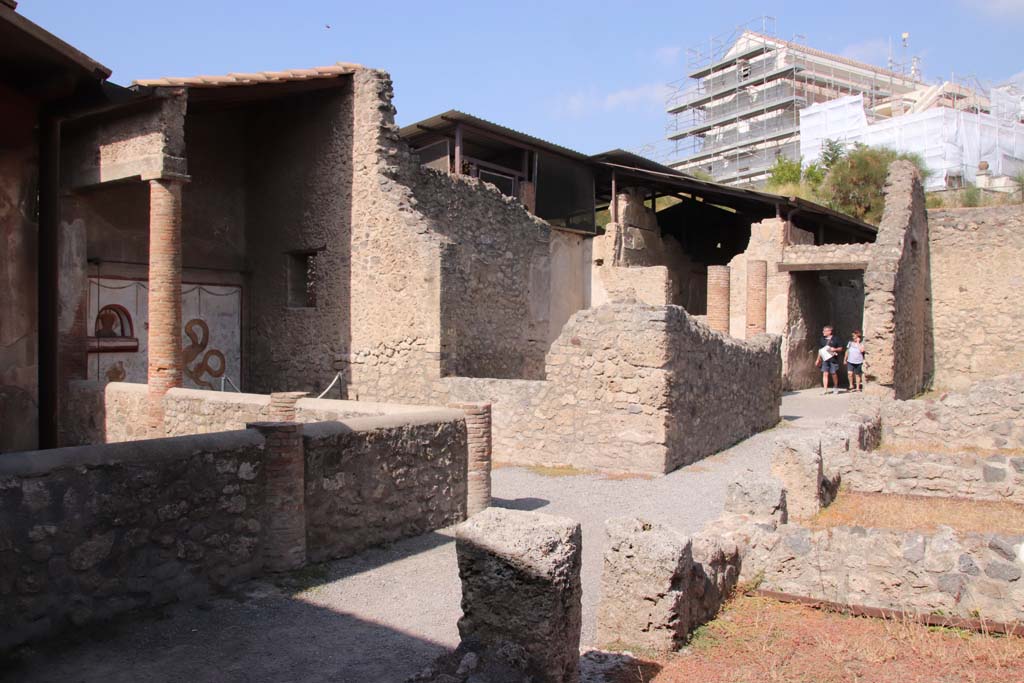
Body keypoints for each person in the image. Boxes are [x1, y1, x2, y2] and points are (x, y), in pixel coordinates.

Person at [819, 324, 843, 394]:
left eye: (825, 331)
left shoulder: (836, 339)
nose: (823, 332)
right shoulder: (822, 339)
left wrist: (834, 349)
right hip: (825, 359)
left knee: (833, 373)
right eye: (823, 331)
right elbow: (820, 350)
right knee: (825, 373)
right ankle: (825, 389)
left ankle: (835, 386)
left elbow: (841, 348)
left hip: (833, 359)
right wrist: (818, 359)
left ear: (830, 331)